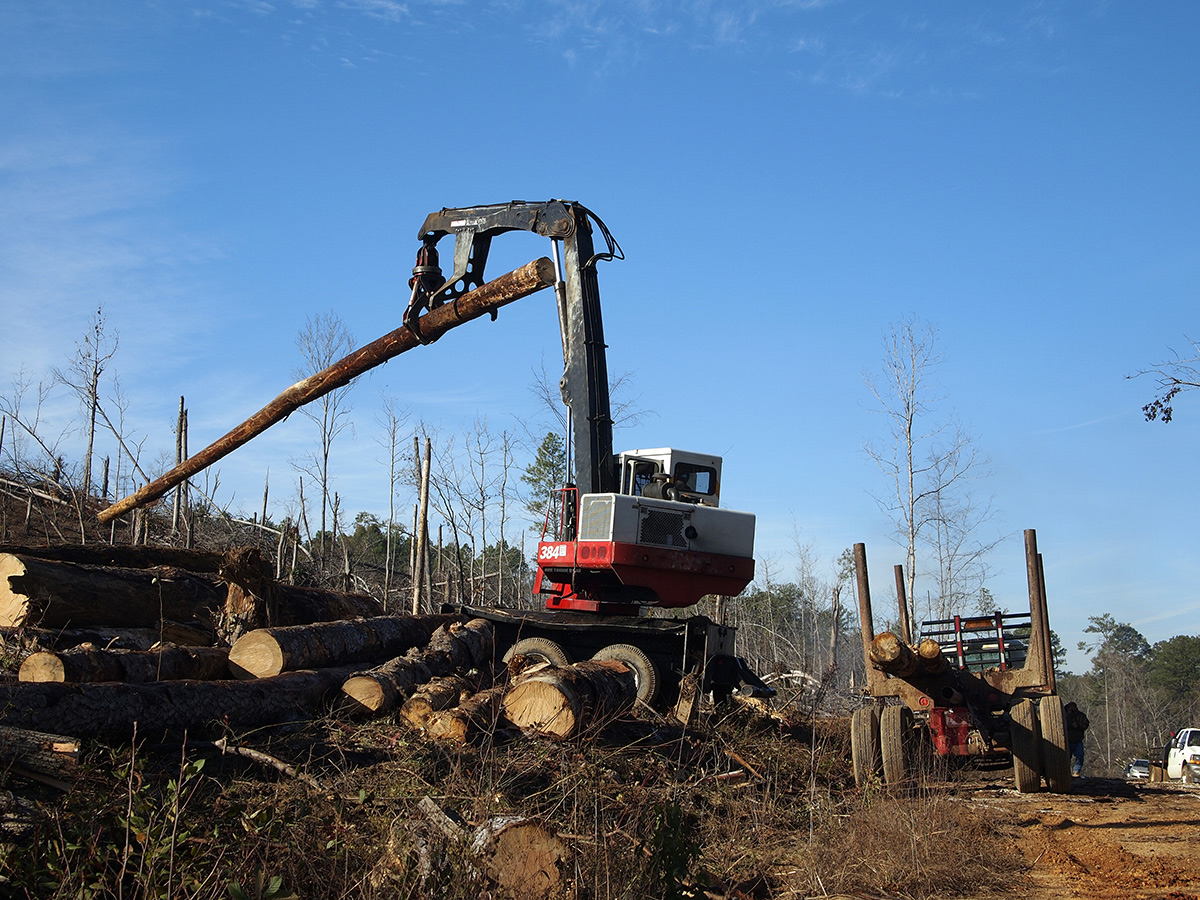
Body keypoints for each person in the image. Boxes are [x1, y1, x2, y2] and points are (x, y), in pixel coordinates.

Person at [1065, 701, 1090, 776]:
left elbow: (1085, 725)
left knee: (1080, 756)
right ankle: (1066, 772)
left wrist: (1078, 726)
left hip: (1078, 740)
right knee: (1066, 758)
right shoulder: (1064, 716)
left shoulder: (1080, 716)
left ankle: (1076, 771)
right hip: (1067, 740)